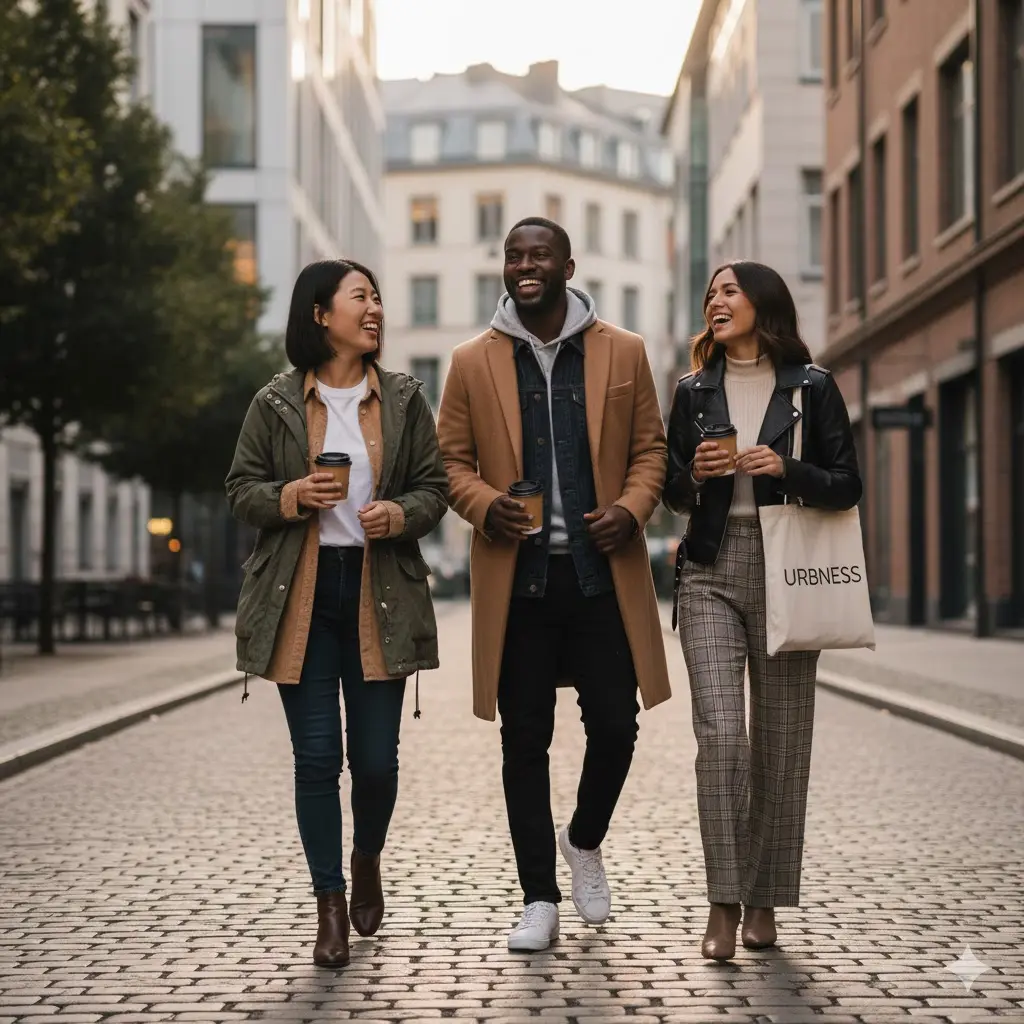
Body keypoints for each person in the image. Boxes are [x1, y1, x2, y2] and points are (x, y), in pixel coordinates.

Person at [437, 217, 671, 952]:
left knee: (616, 725)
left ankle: (584, 837)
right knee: (523, 742)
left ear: (569, 265)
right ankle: (538, 895)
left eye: (539, 255)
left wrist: (632, 511)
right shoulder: (471, 361)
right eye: (513, 255)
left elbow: (650, 451)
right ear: (503, 269)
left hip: (601, 577)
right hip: (521, 583)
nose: (525, 265)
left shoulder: (623, 352)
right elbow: (450, 463)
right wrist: (484, 505)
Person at [225, 259, 448, 968]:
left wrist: (399, 515)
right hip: (302, 594)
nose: (375, 307)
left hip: (379, 591)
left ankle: (367, 857)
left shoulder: (407, 398)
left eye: (378, 297)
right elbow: (241, 489)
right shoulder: (277, 402)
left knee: (376, 763)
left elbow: (435, 489)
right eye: (361, 297)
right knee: (317, 760)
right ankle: (328, 903)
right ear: (321, 314)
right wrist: (293, 496)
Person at [664, 260, 862, 961]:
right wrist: (697, 476)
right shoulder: (692, 391)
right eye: (711, 292)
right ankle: (722, 901)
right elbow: (672, 493)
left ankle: (764, 898)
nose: (716, 301)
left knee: (781, 743)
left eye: (729, 291)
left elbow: (847, 485)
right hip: (712, 569)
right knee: (721, 739)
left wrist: (786, 471)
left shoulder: (813, 388)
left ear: (762, 304)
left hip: (792, 569)